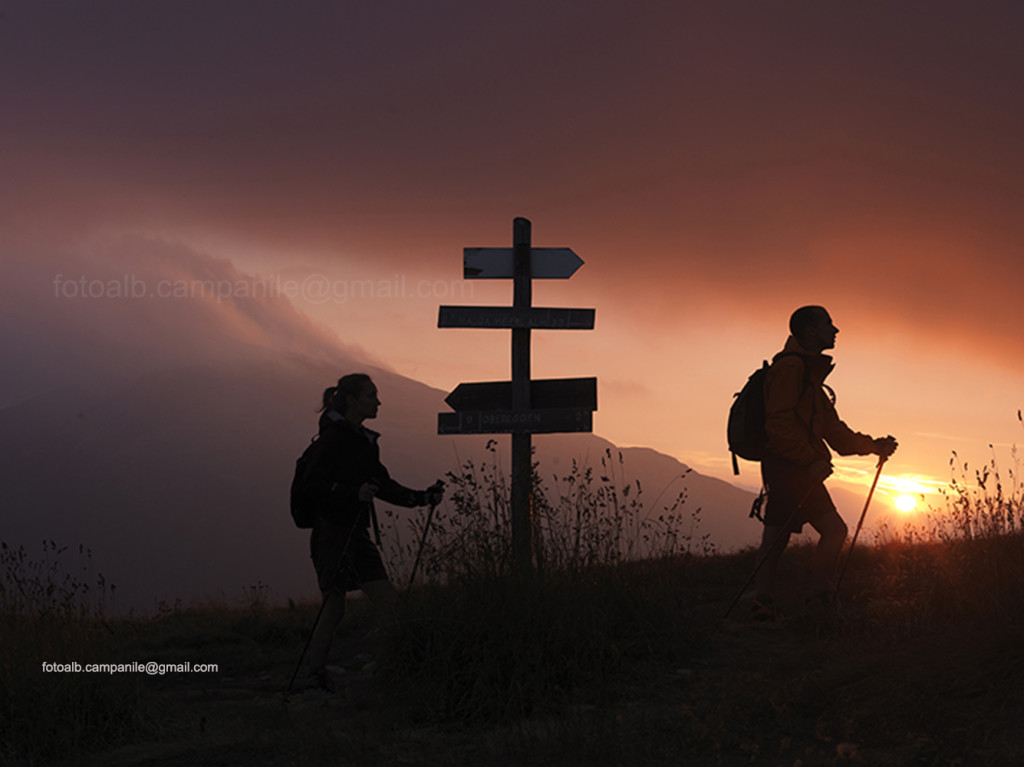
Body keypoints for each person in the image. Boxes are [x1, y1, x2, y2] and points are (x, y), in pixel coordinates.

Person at [752, 306, 897, 621]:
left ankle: (764, 602)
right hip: (791, 467)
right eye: (827, 323)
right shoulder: (792, 369)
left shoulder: (808, 374)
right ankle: (815, 599)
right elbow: (777, 424)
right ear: (808, 331)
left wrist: (874, 446)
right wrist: (809, 460)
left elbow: (835, 432)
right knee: (831, 530)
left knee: (778, 535)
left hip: (790, 466)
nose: (835, 330)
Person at [304, 373, 444, 693]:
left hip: (353, 534)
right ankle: (316, 675)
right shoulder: (334, 440)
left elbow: (383, 485)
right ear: (353, 401)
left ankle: (396, 664)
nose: (378, 402)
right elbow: (314, 486)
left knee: (384, 603)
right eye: (372, 396)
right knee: (336, 605)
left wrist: (422, 497)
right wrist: (354, 494)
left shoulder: (361, 441)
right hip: (334, 533)